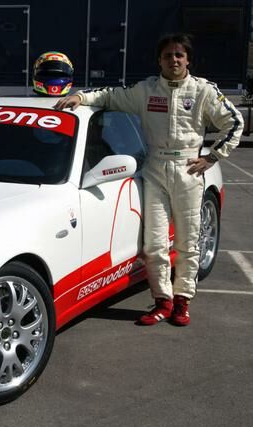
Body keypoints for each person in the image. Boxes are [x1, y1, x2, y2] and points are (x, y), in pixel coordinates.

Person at [55, 33, 243, 326]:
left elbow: (234, 122)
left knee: (188, 241)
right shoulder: (146, 90)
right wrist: (81, 96)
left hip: (189, 171)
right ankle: (162, 302)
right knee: (154, 243)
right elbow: (109, 96)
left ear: (188, 59)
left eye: (179, 55)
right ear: (160, 60)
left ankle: (183, 302)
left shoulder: (204, 91)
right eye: (168, 56)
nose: (174, 60)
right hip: (155, 168)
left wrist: (212, 157)